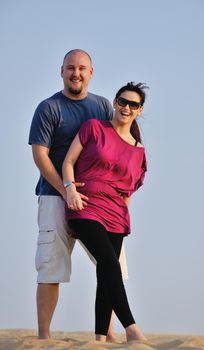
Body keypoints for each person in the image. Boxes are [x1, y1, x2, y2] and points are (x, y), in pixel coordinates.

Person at [28, 49, 128, 340]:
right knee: (50, 268)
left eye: (82, 68)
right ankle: (43, 338)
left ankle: (107, 336)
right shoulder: (48, 108)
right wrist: (66, 190)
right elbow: (40, 155)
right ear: (61, 71)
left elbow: (117, 144)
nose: (76, 73)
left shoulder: (103, 106)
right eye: (70, 68)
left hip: (98, 204)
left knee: (112, 266)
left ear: (91, 73)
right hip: (54, 198)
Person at [62, 82, 148, 342]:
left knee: (105, 272)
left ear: (139, 111)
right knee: (110, 264)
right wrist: (70, 190)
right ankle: (131, 328)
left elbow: (129, 191)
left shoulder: (138, 150)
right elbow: (68, 161)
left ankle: (100, 338)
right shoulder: (94, 128)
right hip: (86, 206)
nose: (126, 107)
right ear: (114, 102)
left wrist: (123, 215)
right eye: (123, 101)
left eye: (133, 104)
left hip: (116, 215)